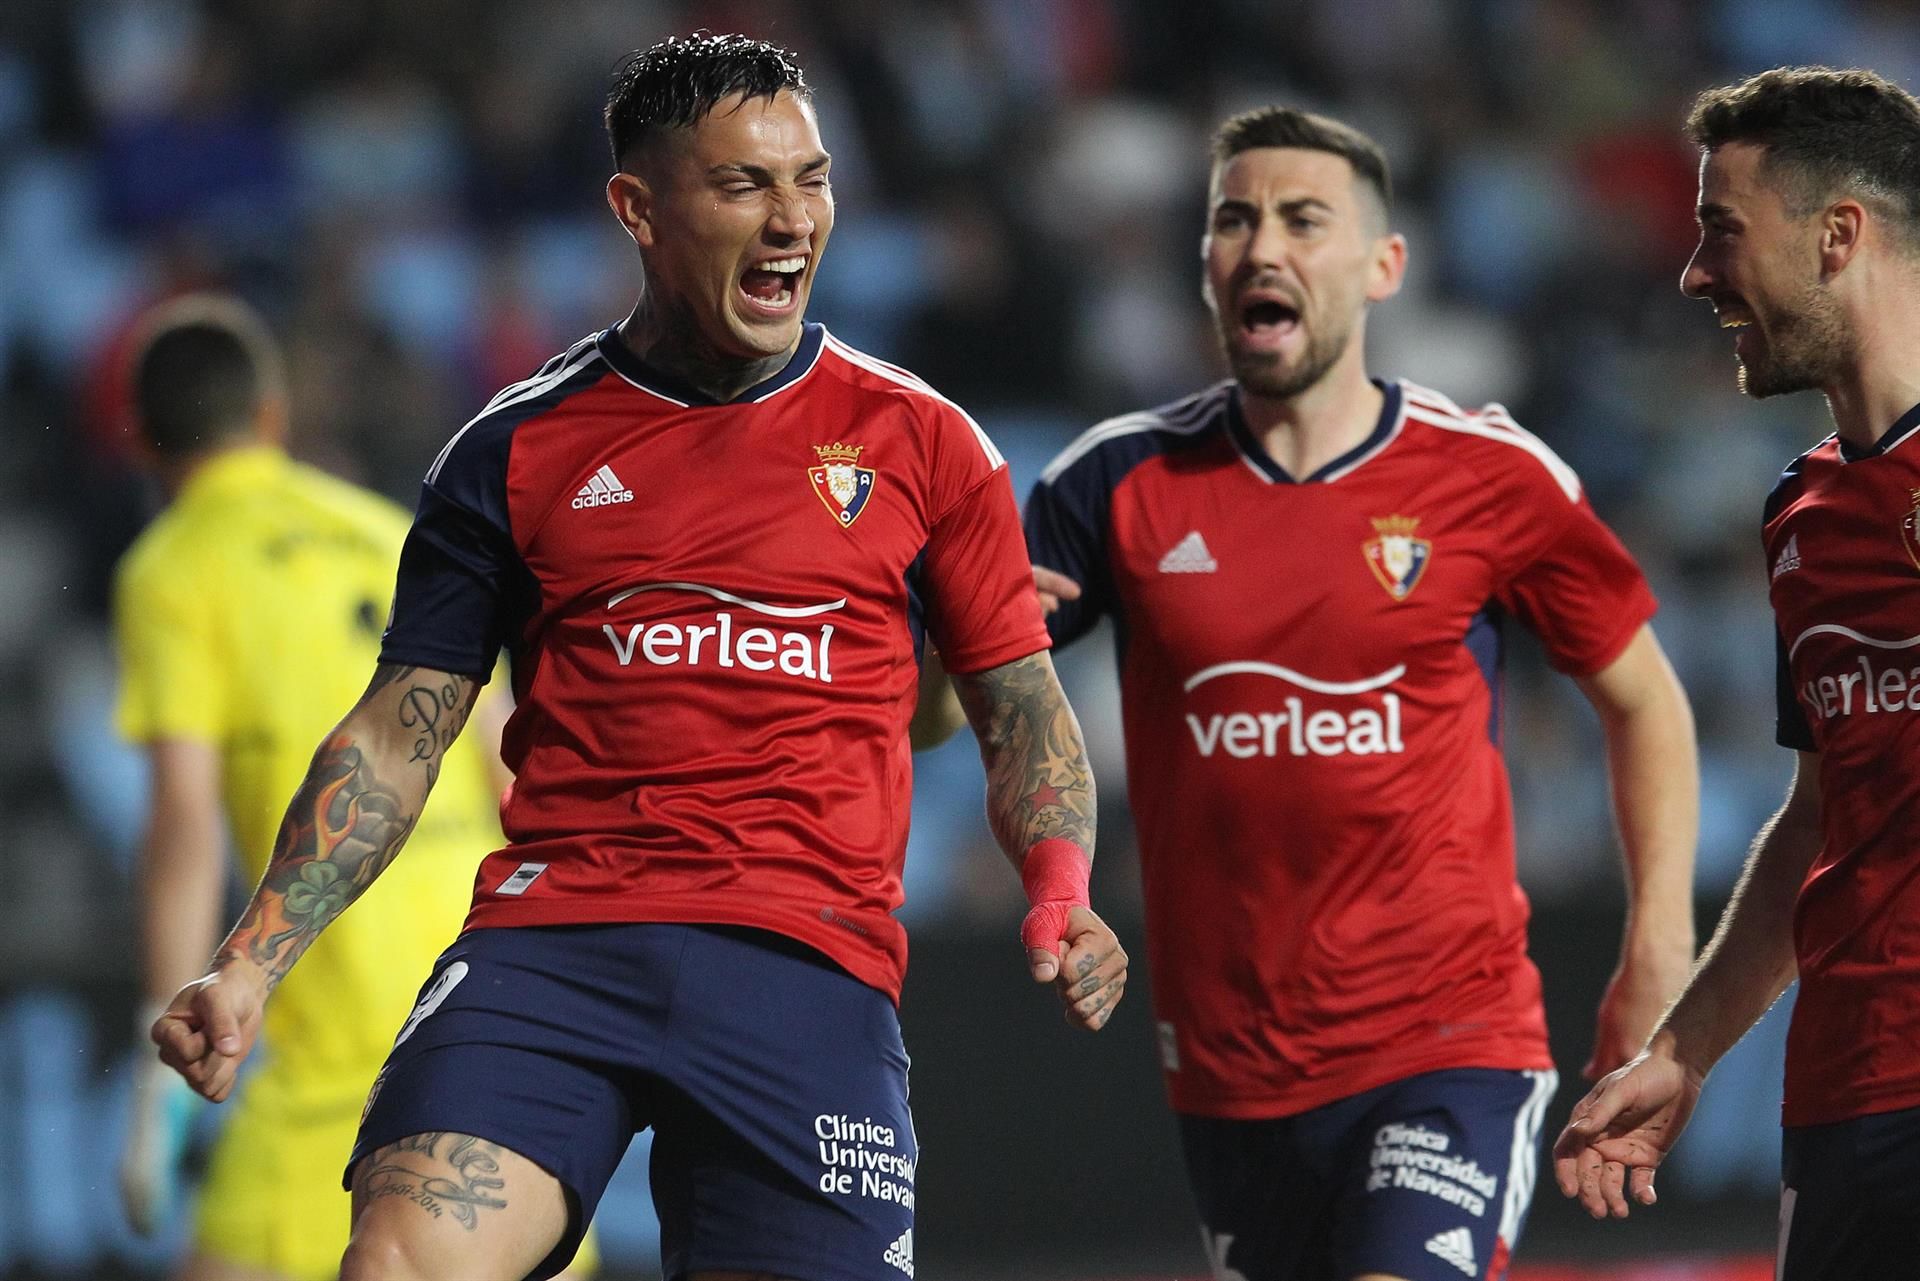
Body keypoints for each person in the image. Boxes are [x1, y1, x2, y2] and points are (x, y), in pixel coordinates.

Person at [147, 32, 1126, 1281]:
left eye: (812, 180)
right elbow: (397, 735)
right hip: (555, 948)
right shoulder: (510, 452)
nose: (793, 220)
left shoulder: (926, 444)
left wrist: (1059, 885)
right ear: (638, 209)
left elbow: (1020, 707)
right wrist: (247, 964)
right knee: (397, 1263)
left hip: (806, 966)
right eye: (743, 185)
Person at [1023, 106, 1698, 1281]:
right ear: (1206, 264)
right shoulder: (1113, 483)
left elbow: (1645, 701)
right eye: (1235, 221)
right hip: (1231, 1074)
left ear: (1384, 266)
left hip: (1451, 1042)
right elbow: (975, 698)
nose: (1262, 246)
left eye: (1302, 220)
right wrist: (977, 699)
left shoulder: (1490, 475)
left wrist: (1659, 945)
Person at [111, 295, 600, 1280]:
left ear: (140, 443)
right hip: (479, 974)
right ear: (272, 416)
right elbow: (509, 757)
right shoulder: (387, 528)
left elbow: (184, 824)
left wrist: (157, 1061)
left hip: (337, 998)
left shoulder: (172, 568)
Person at [1553, 66, 1920, 1274]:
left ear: (1838, 235)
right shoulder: (1802, 511)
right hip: (1847, 1099)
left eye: (1723, 230)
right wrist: (1684, 1049)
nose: (1695, 273)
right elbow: (1822, 813)